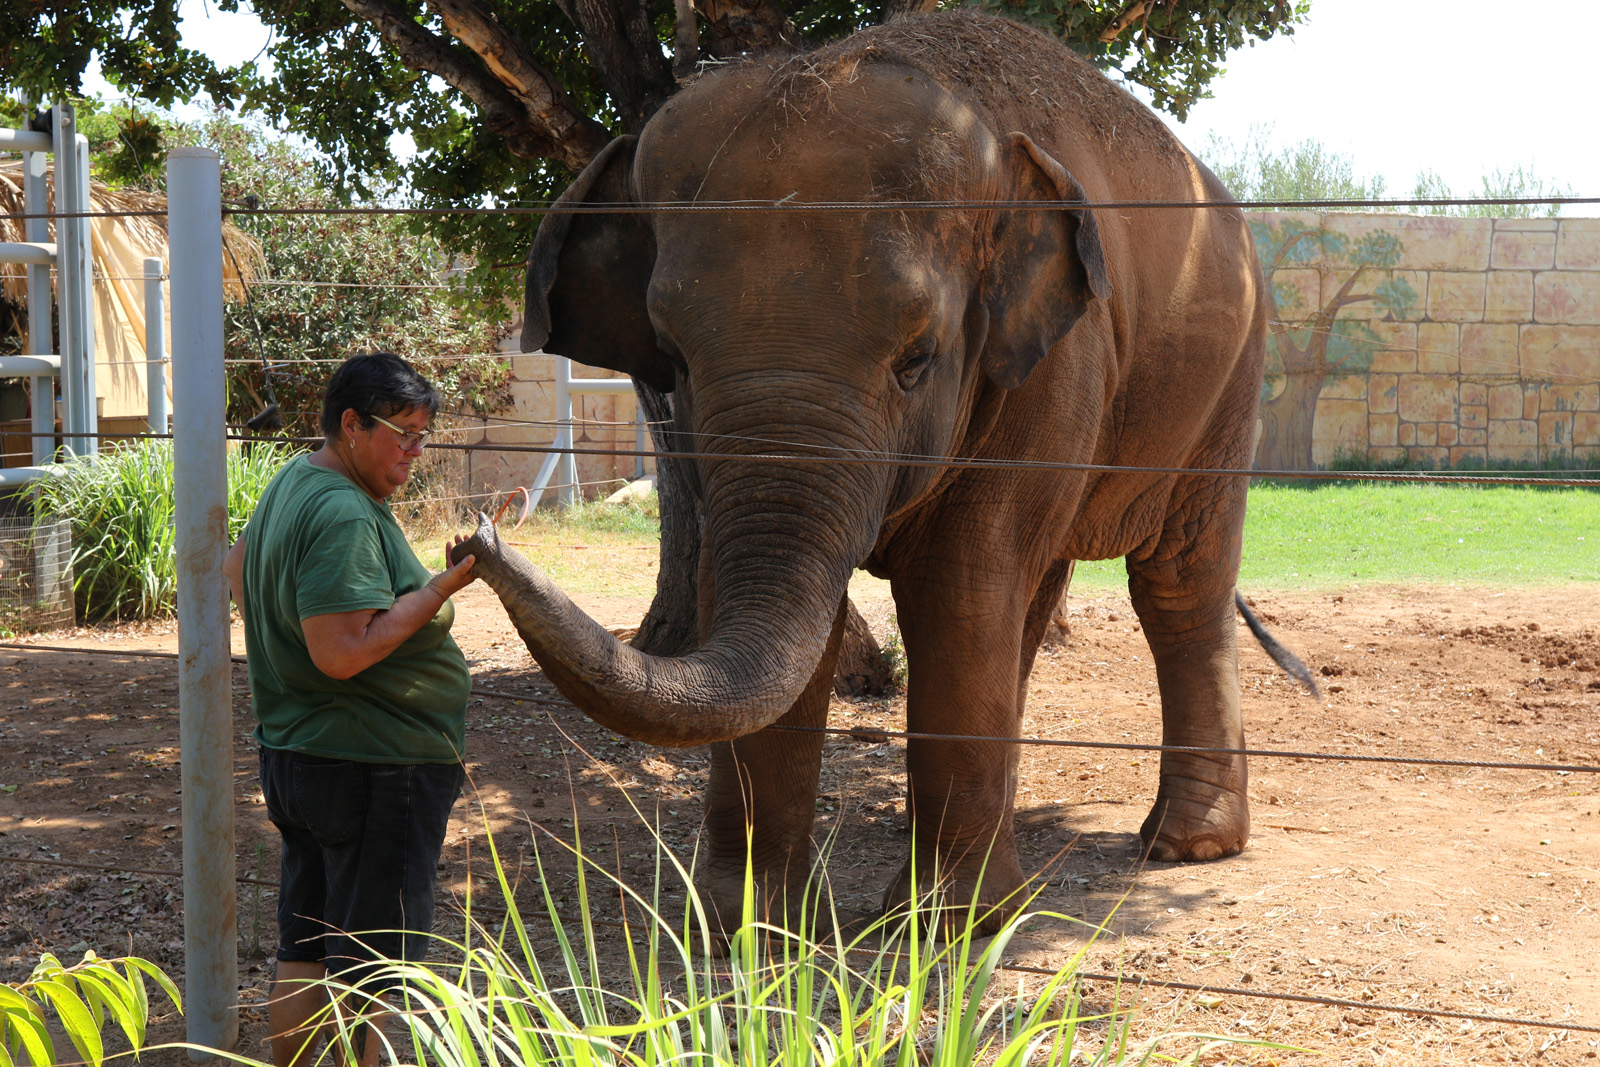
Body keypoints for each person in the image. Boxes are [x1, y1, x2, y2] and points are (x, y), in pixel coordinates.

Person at [224, 352, 478, 1067]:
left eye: (423, 436)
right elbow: (341, 650)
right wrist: (437, 589)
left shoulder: (294, 483)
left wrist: (290, 663)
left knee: (305, 946)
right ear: (349, 424)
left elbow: (237, 566)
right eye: (403, 434)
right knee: (372, 964)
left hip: (302, 754)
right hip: (372, 766)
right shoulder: (341, 511)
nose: (415, 453)